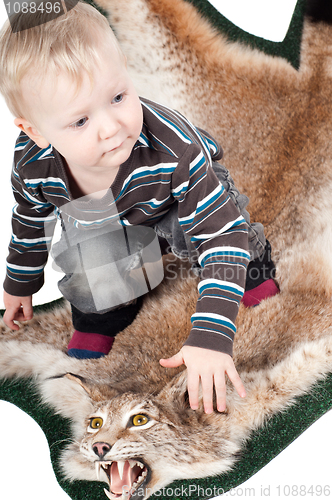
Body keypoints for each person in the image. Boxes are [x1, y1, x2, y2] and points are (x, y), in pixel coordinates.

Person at [0, 0, 278, 414]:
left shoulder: (174, 148)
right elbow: (29, 220)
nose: (112, 128)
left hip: (176, 201)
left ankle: (253, 267)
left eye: (117, 97)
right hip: (104, 218)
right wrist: (20, 282)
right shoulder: (33, 166)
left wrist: (211, 334)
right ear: (35, 131)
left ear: (126, 71)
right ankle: (104, 316)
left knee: (221, 226)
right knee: (92, 264)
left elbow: (220, 234)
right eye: (80, 121)